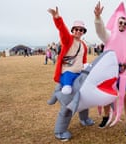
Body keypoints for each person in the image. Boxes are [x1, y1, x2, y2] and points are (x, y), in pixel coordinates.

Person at [47, 6, 94, 141]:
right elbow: (62, 30)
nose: (78, 31)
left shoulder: (84, 45)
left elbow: (83, 59)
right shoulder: (68, 40)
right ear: (73, 30)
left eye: (81, 30)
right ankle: (60, 131)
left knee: (84, 95)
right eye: (76, 29)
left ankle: (84, 119)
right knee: (68, 101)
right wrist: (57, 17)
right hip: (67, 75)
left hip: (79, 74)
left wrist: (86, 66)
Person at [94, 1, 126, 136]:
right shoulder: (109, 35)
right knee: (107, 94)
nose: (122, 25)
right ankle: (106, 116)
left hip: (123, 72)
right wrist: (97, 18)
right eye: (120, 22)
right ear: (116, 23)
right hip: (109, 71)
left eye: (125, 23)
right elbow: (100, 30)